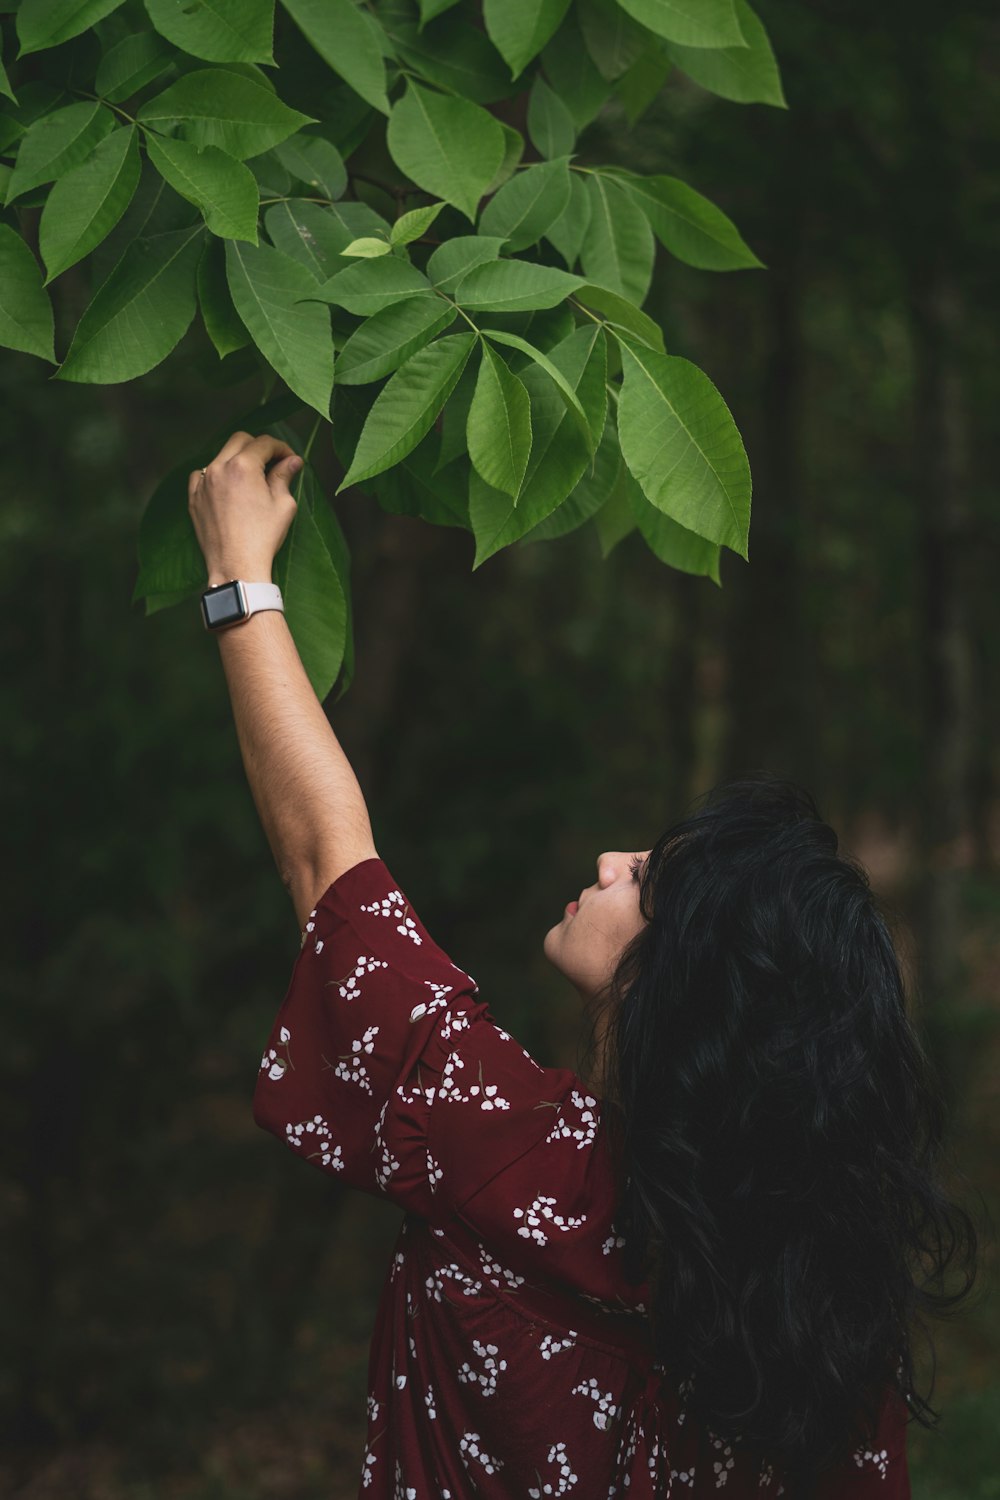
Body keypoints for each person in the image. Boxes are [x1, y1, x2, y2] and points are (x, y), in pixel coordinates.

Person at [189, 432, 978, 1498]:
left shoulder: (509, 1158)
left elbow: (326, 859)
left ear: (681, 982)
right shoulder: (832, 1308)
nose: (607, 862)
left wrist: (239, 578)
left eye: (644, 883)